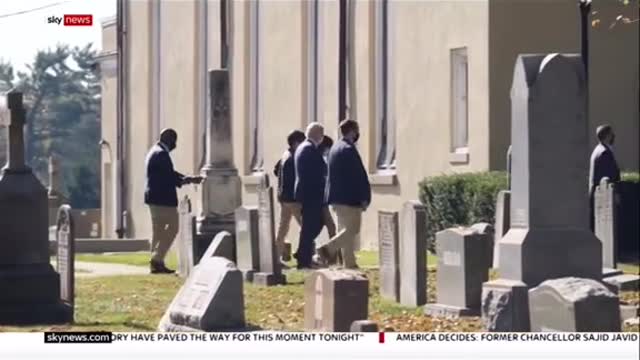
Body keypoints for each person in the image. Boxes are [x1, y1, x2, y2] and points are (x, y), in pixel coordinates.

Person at [144, 128, 203, 274]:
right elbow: (169, 177)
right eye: (174, 140)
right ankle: (157, 259)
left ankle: (156, 262)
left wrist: (187, 178)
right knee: (173, 227)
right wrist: (188, 180)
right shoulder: (161, 154)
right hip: (163, 199)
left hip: (154, 198)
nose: (174, 144)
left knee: (158, 231)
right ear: (168, 139)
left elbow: (170, 173)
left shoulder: (154, 151)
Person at [317, 120, 371, 269]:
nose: (357, 133)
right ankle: (327, 249)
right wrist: (364, 197)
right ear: (352, 131)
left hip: (336, 197)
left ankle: (349, 263)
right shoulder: (348, 149)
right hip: (349, 198)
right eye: (357, 130)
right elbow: (357, 175)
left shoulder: (335, 147)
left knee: (344, 231)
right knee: (352, 230)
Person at [293, 122, 326, 269]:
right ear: (317, 134)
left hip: (306, 193)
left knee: (311, 226)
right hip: (311, 193)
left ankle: (302, 253)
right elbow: (316, 172)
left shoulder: (303, 147)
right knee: (311, 226)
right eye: (322, 134)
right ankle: (303, 257)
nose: (323, 137)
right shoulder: (309, 149)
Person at [273, 130, 306, 264]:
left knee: (283, 228)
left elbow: (276, 170)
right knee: (307, 227)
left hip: (284, 197)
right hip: (293, 198)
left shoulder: (285, 155)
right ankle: (304, 254)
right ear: (296, 143)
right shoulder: (294, 158)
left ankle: (276, 257)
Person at [589, 124, 621, 231]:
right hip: (603, 198)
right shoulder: (604, 153)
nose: (613, 136)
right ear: (607, 135)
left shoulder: (597, 150)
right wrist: (615, 194)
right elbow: (608, 177)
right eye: (611, 134)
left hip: (596, 195)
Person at [317, 135, 339, 265]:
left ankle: (331, 256)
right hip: (320, 200)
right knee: (331, 227)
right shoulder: (319, 160)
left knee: (328, 227)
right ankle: (328, 254)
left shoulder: (322, 159)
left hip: (322, 199)